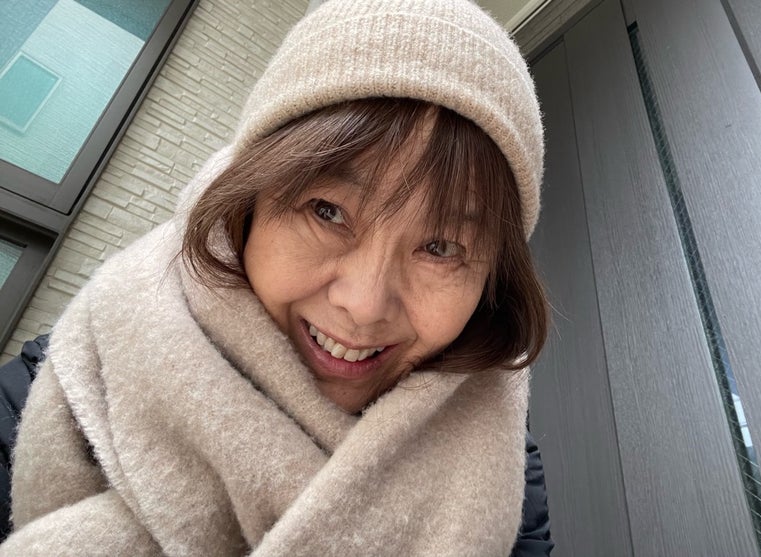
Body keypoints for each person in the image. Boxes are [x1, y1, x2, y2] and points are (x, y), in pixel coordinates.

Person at [0, 0, 553, 554]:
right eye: (327, 211)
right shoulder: (68, 384)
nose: (363, 304)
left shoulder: (504, 470)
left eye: (440, 247)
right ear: (247, 204)